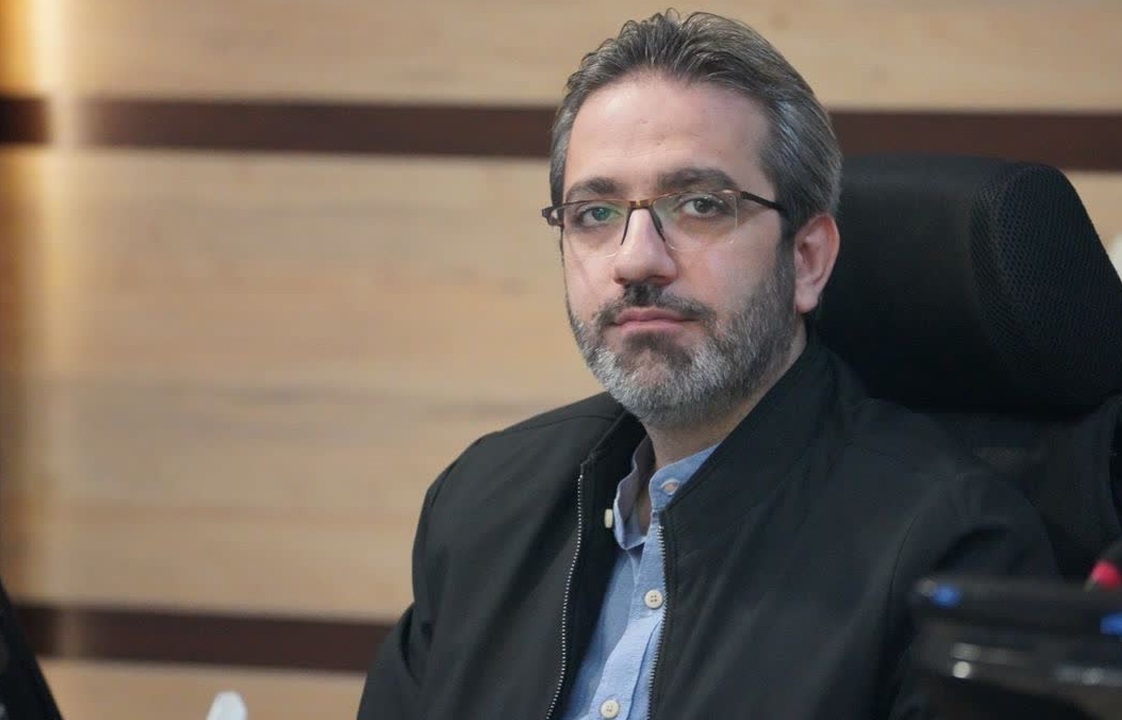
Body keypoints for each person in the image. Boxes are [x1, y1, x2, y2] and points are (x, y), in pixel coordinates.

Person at [358, 10, 1055, 719]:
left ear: (807, 260)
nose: (636, 260)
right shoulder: (481, 505)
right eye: (595, 213)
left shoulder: (951, 549)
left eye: (698, 205)